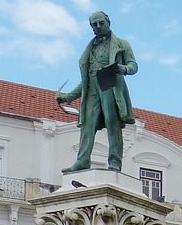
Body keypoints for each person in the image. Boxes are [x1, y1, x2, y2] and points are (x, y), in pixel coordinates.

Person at [57, 11, 139, 174]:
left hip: (110, 86)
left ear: (108, 22)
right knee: (87, 125)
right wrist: (68, 97)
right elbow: (86, 80)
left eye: (101, 23)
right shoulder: (90, 48)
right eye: (94, 24)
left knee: (112, 124)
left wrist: (123, 68)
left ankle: (114, 162)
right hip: (93, 89)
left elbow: (133, 65)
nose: (98, 26)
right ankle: (82, 161)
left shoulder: (122, 44)